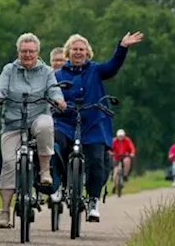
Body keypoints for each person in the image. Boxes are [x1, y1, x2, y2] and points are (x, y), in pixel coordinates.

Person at [52, 30, 143, 222]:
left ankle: (93, 200)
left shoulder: (95, 70)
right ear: (68, 52)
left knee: (96, 159)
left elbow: (112, 67)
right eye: (75, 49)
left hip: (93, 121)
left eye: (82, 49)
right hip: (65, 121)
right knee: (55, 144)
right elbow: (51, 96)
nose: (78, 52)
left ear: (87, 52)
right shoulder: (58, 75)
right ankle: (58, 184)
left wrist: (122, 47)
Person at [0, 32, 66, 229]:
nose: (27, 55)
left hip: (38, 117)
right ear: (18, 52)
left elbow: (54, 90)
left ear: (38, 52)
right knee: (9, 163)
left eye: (31, 51)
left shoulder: (47, 71)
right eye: (24, 51)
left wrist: (58, 100)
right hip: (13, 122)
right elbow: (0, 88)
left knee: (47, 125)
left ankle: (45, 170)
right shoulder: (9, 70)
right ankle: (5, 210)